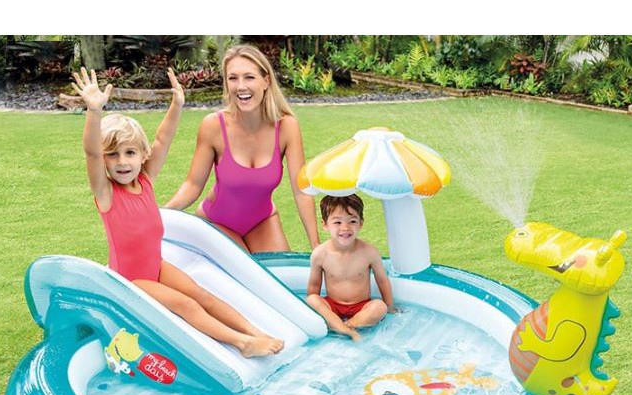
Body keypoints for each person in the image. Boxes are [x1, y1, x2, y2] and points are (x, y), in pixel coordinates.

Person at [71, 67, 283, 358]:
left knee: (201, 294)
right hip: (131, 281)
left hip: (155, 267)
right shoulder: (106, 194)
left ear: (142, 155)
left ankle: (254, 332)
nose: (122, 162)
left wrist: (177, 105)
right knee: (186, 305)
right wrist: (94, 111)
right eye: (113, 155)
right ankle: (242, 343)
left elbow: (162, 140)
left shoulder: (145, 181)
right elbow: (91, 153)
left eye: (130, 153)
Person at [165, 44, 319, 253]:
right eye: (233, 78)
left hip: (262, 221)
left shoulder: (287, 127)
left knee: (279, 271)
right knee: (245, 271)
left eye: (249, 77)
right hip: (217, 222)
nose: (241, 86)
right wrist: (161, 214)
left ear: (266, 81)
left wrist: (316, 245)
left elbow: (301, 191)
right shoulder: (213, 126)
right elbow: (193, 184)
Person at [306, 195, 395, 341]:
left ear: (360, 223)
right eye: (337, 222)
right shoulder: (320, 254)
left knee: (380, 307)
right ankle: (347, 329)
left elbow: (382, 281)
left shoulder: (369, 252)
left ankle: (345, 327)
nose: (345, 228)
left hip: (361, 307)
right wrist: (314, 311)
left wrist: (390, 306)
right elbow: (314, 286)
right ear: (325, 224)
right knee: (312, 300)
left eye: (352, 221)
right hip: (332, 306)